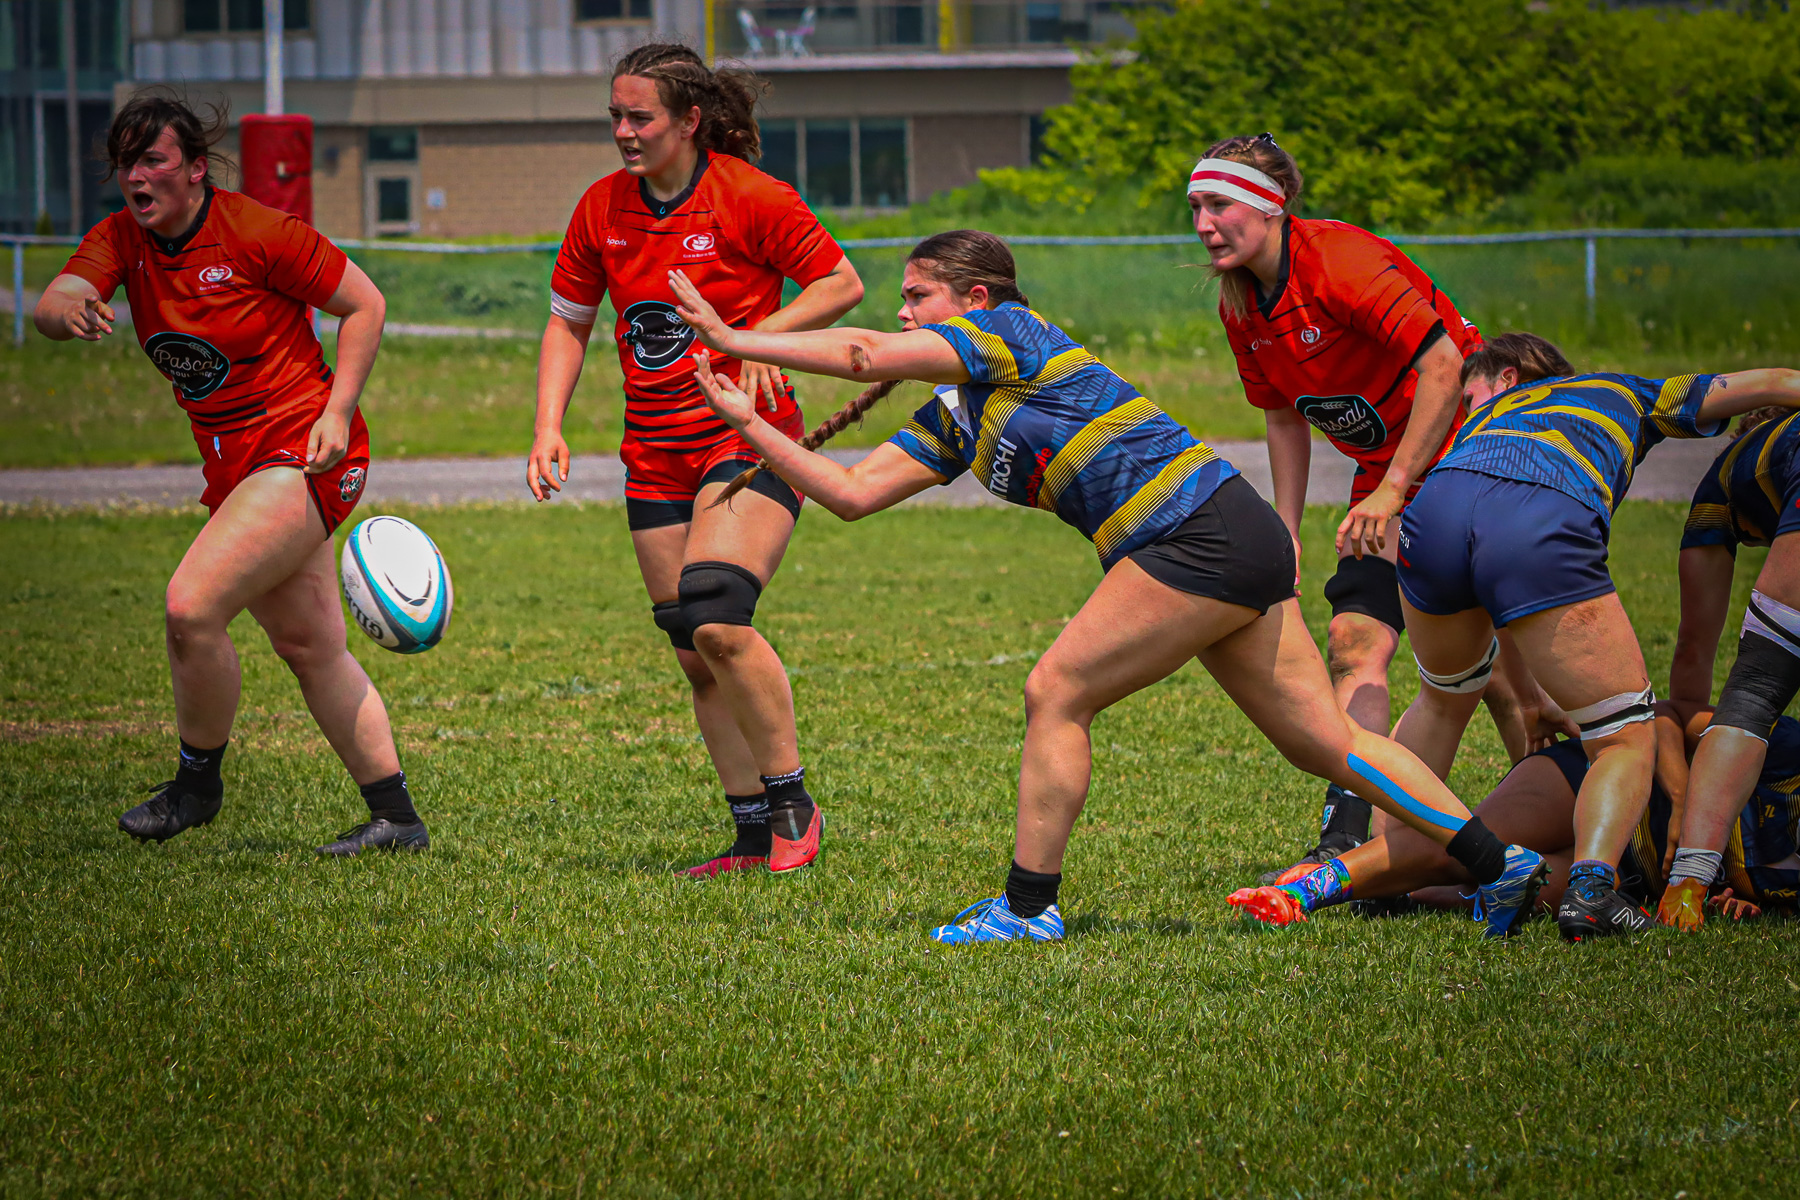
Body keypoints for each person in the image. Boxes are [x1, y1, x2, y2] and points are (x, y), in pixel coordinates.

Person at [669, 229, 1550, 943]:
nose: (903, 314)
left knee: (1056, 690)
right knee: (1324, 743)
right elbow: (854, 496)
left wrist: (737, 337)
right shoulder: (956, 414)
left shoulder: (1009, 335)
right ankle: (1499, 864)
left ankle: (1026, 908)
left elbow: (862, 353)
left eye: (918, 297)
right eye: (903, 300)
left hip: (1195, 532)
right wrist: (750, 424)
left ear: (975, 302)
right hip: (1218, 534)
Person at [33, 92, 426, 855]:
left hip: (305, 449)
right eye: (125, 163)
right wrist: (69, 310)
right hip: (237, 469)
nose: (137, 178)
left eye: (152, 160)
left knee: (191, 608)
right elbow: (59, 297)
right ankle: (397, 819)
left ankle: (196, 785)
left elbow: (365, 304)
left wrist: (338, 412)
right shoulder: (124, 239)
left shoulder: (255, 231)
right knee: (311, 646)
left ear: (193, 166)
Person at [524, 44, 864, 877]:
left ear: (689, 120)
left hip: (746, 436)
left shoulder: (749, 196)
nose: (624, 132)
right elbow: (568, 321)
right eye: (615, 115)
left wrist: (759, 339)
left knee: (715, 610)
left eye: (640, 117)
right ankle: (751, 834)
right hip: (653, 455)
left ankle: (793, 801)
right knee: (692, 648)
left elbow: (839, 283)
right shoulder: (601, 207)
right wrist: (548, 426)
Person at [1190, 133, 1541, 884]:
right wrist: (1284, 527)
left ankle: (1560, 823)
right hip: (1390, 474)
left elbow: (1446, 362)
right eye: (1195, 207)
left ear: (1267, 205)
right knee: (1354, 640)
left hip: (1475, 454)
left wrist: (1392, 488)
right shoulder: (1242, 306)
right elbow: (1284, 414)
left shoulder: (1340, 261)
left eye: (1218, 204)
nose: (1202, 223)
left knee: (1508, 678)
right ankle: (1343, 837)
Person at [1366, 332, 1800, 940]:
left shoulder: (1484, 422)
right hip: (1542, 505)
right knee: (1624, 736)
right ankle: (1593, 894)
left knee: (1439, 699)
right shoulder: (1626, 391)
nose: (1465, 407)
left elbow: (1505, 602)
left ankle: (1382, 873)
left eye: (1468, 395)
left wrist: (1533, 698)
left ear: (1510, 379)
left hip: (1437, 505)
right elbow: (1777, 381)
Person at [1231, 704, 1786, 925]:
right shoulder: (1794, 749)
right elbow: (1666, 719)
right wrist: (1685, 806)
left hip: (1630, 871)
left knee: (1524, 889)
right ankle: (1304, 891)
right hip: (1588, 783)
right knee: (1463, 849)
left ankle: (1397, 896)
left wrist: (1733, 896)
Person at [1661, 401, 1800, 927]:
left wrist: (1689, 721)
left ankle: (1688, 884)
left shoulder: (1729, 474)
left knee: (1754, 693)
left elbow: (1692, 656)